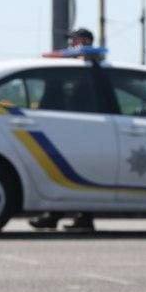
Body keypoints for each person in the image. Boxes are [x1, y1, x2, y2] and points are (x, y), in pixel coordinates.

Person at [29, 28, 97, 232]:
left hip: (87, 129)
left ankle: (70, 216)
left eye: (74, 41)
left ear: (84, 41)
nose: (71, 46)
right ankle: (66, 216)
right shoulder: (74, 66)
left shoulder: (91, 64)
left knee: (78, 171)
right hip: (72, 127)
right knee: (65, 172)